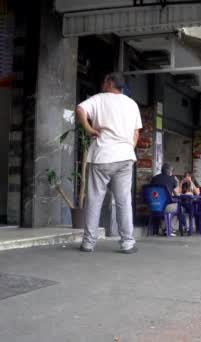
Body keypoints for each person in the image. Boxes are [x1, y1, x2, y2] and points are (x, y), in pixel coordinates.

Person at [76, 72, 142, 254]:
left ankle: (88, 243)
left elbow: (80, 109)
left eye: (104, 80)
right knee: (123, 201)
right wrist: (127, 147)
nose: (102, 83)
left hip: (102, 156)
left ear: (109, 82)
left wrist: (89, 128)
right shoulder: (132, 104)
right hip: (125, 157)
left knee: (94, 199)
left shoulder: (98, 99)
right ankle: (127, 242)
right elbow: (136, 133)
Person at [150, 163, 181, 235]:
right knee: (179, 207)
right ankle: (169, 228)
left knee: (165, 209)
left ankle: (162, 229)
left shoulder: (154, 178)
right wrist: (178, 182)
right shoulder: (172, 179)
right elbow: (176, 193)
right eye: (171, 171)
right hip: (165, 206)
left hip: (153, 205)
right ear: (170, 171)